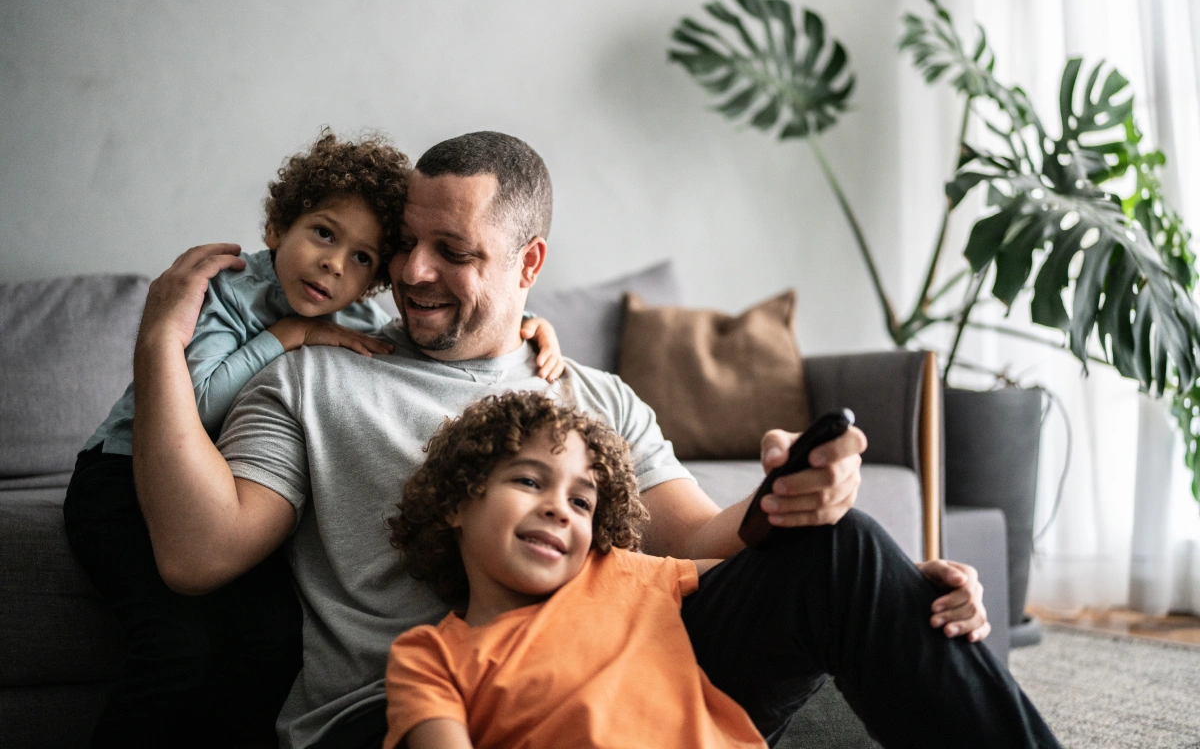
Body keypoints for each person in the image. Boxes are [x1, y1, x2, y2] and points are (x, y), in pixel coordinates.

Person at [130, 131, 1060, 749]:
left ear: (529, 263)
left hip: (607, 682)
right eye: (406, 243)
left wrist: (810, 508)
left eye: (453, 252)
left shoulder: (592, 393)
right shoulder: (313, 376)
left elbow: (696, 543)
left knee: (845, 551)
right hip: (406, 711)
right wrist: (159, 343)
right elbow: (196, 555)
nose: (412, 272)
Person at [62, 129, 565, 748]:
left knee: (273, 637)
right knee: (175, 647)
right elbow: (187, 406)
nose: (335, 264)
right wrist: (286, 336)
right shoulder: (231, 293)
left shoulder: (350, 316)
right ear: (278, 225)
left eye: (364, 258)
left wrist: (530, 324)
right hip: (118, 475)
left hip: (211, 479)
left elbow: (468, 323)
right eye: (324, 234)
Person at [383, 390, 766, 749]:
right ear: (455, 503)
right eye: (529, 481)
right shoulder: (429, 658)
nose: (559, 509)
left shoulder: (620, 570)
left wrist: (783, 490)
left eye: (581, 502)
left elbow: (767, 575)